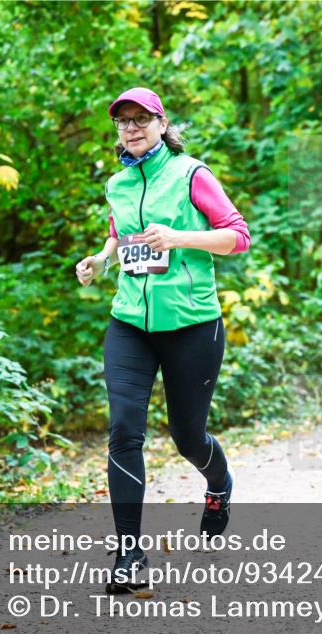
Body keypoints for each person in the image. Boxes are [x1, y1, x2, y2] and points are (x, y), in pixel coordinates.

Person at [75, 87, 250, 593]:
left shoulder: (192, 174)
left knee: (186, 436)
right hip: (130, 322)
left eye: (141, 119)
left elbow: (238, 236)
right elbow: (119, 233)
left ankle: (218, 485)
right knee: (124, 430)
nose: (131, 128)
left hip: (192, 325)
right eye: (122, 122)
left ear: (160, 122)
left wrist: (178, 237)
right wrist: (100, 260)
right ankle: (130, 555)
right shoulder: (118, 183)